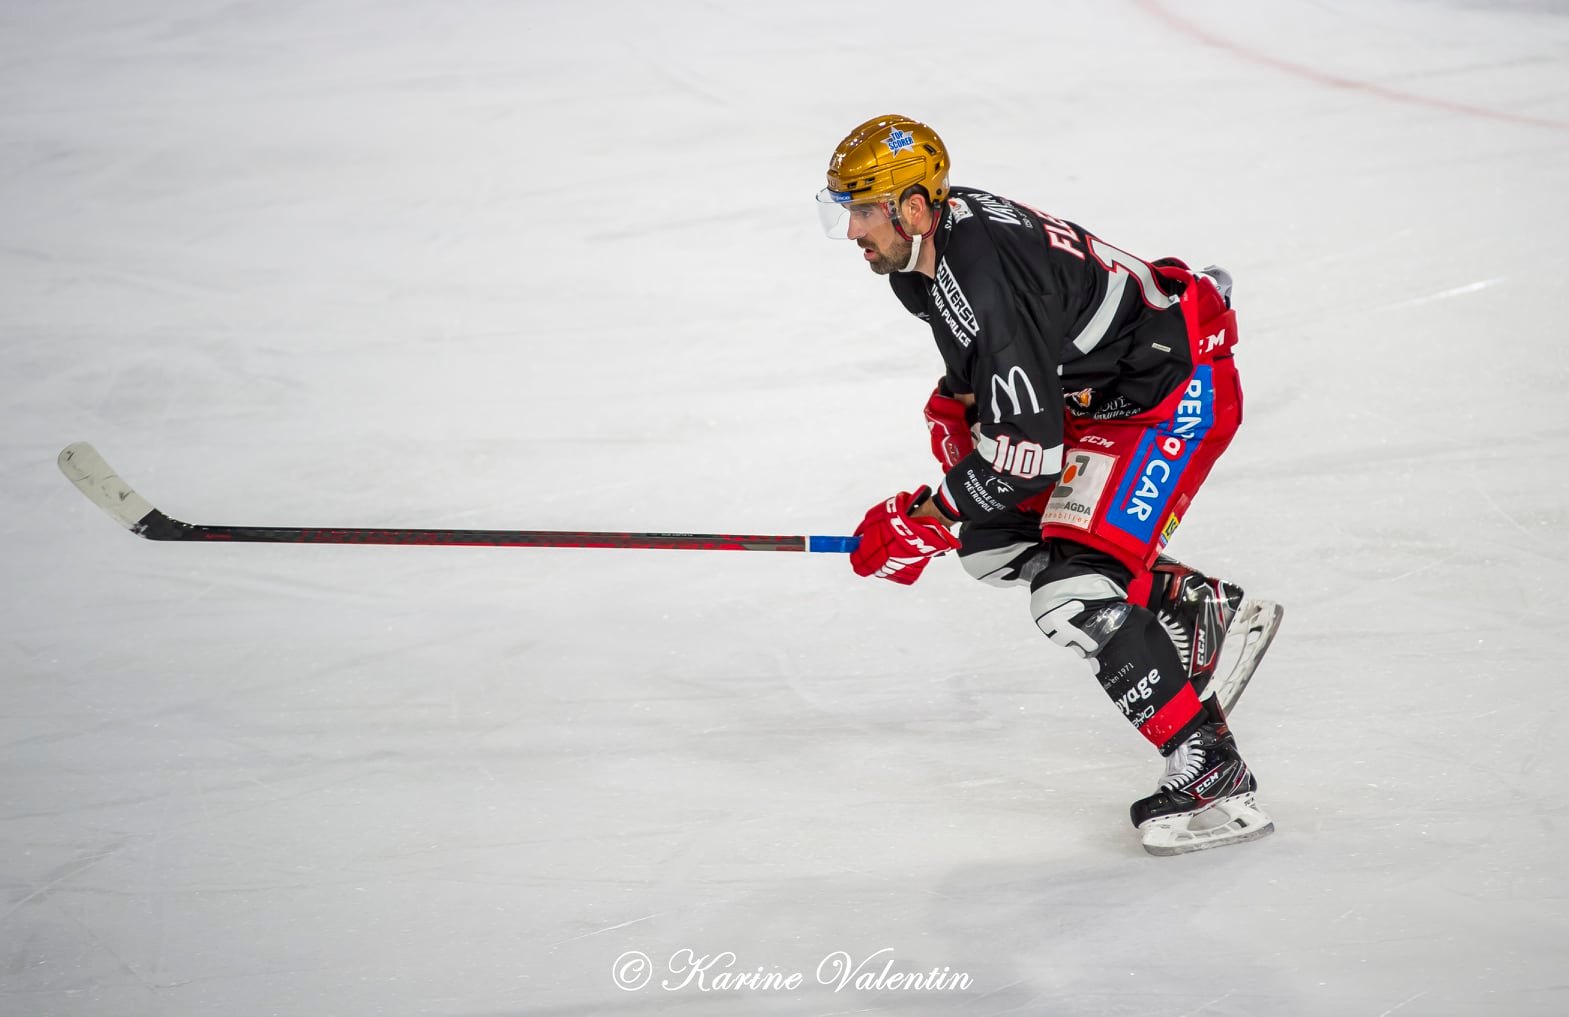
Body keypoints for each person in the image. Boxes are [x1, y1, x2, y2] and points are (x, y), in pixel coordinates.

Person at [817, 114, 1273, 855]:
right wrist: (943, 507)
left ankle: (1209, 767)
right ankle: (1185, 603)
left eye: (863, 211)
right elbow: (991, 395)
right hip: (1105, 398)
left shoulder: (982, 273)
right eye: (845, 211)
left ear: (912, 207)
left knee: (1071, 595)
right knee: (991, 544)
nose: (851, 231)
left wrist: (928, 514)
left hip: (1172, 395)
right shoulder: (929, 257)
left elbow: (1026, 449)